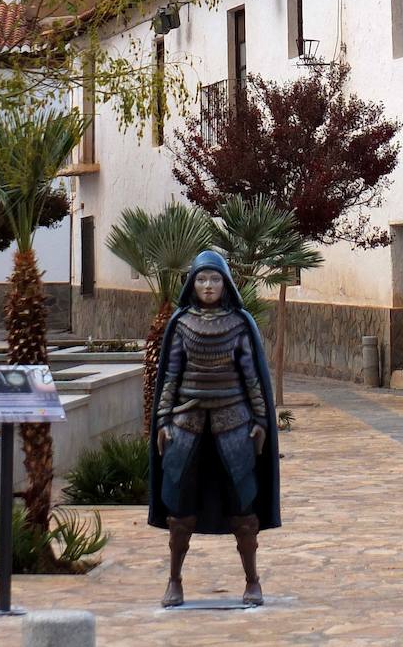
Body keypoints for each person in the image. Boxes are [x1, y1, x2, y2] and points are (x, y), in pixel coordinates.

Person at [149, 249, 280, 608]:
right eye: (202, 279)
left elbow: (252, 378)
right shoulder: (181, 324)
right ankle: (174, 580)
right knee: (180, 506)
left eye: (215, 279)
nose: (208, 286)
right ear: (193, 283)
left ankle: (253, 580)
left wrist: (260, 421)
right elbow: (171, 377)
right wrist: (162, 420)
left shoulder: (239, 324)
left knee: (243, 504)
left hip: (234, 422)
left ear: (226, 284)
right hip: (186, 423)